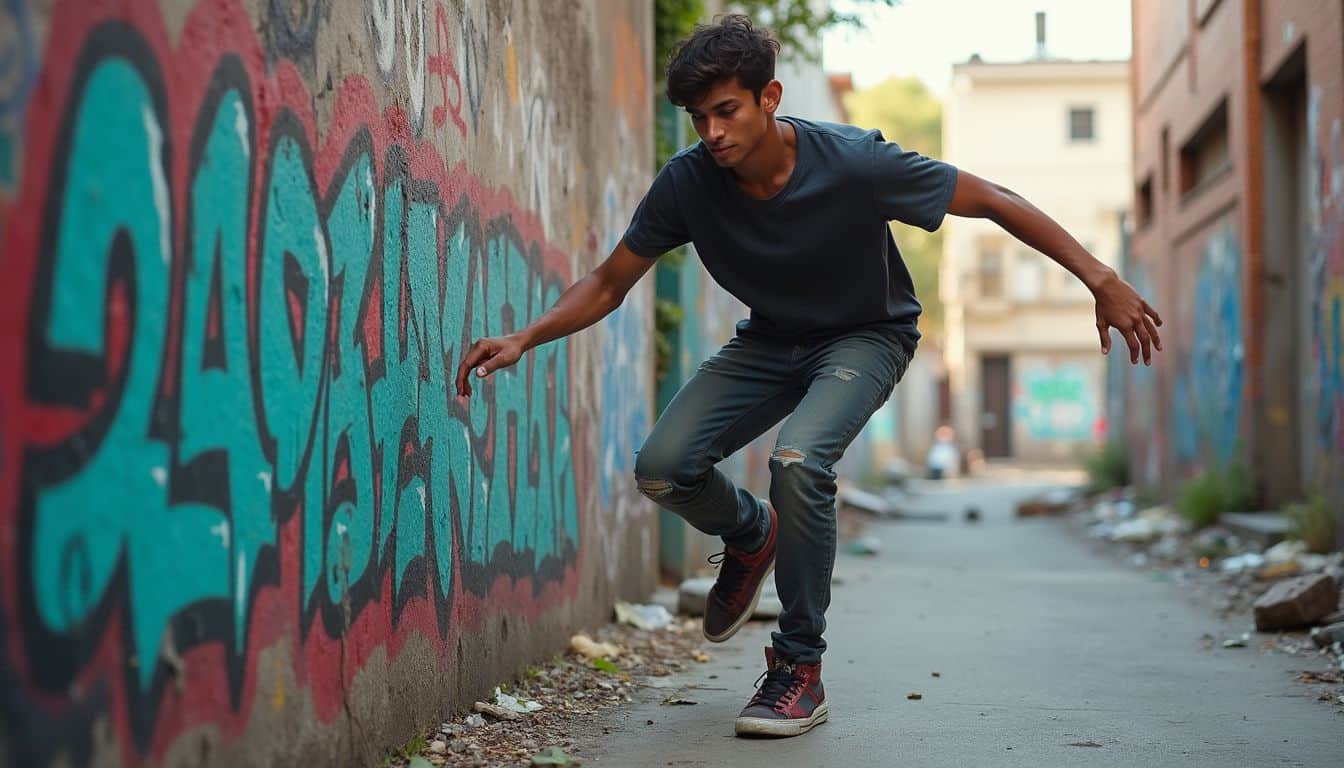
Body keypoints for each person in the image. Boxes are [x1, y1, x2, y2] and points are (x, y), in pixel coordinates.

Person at [455, 14, 1162, 739]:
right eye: (699, 119)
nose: (713, 133)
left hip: (868, 335)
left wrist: (1100, 277)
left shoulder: (856, 163)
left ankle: (799, 668)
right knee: (663, 468)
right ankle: (751, 534)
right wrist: (526, 336)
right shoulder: (691, 184)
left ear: (770, 97)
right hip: (770, 342)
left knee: (798, 461)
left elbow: (992, 200)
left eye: (726, 111)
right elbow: (610, 282)